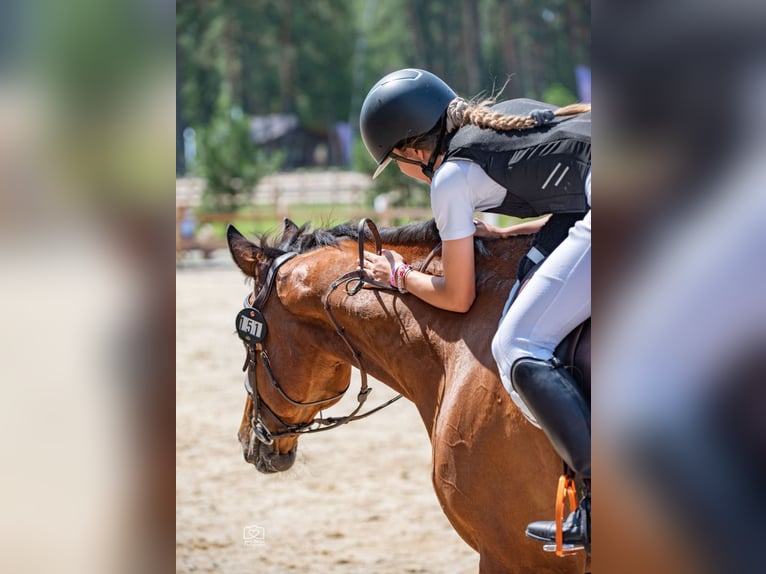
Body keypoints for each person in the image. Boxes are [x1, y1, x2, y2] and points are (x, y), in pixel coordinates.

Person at [359, 68, 591, 551]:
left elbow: (457, 296)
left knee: (517, 343)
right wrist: (505, 236)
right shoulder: (503, 118)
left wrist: (397, 275)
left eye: (394, 162)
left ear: (412, 151)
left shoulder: (449, 177)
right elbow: (568, 185)